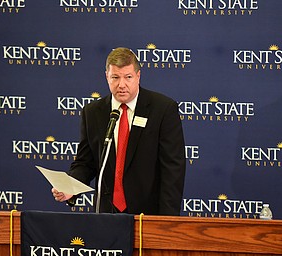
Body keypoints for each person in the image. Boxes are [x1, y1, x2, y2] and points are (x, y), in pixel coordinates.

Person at [52, 47, 186, 215]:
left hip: (148, 214)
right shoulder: (93, 112)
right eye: (115, 77)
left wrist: (166, 221)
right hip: (106, 214)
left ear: (138, 76)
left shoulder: (163, 109)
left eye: (128, 77)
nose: (121, 84)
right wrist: (70, 186)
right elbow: (85, 163)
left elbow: (172, 170)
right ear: (106, 77)